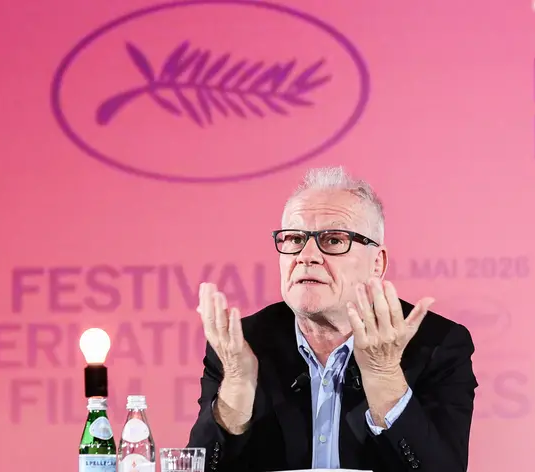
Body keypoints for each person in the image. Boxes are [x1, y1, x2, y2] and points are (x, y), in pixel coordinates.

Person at [186, 166, 478, 472]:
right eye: (294, 238)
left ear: (377, 263)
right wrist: (236, 389)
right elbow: (195, 468)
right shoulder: (243, 345)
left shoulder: (436, 344)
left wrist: (385, 377)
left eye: (334, 240)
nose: (306, 255)